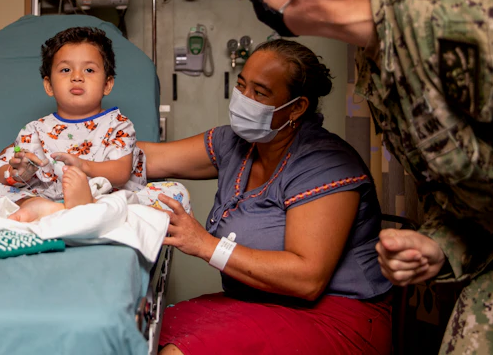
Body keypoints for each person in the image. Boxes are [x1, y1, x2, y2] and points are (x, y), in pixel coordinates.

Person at [230, 0, 493, 352]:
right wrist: (438, 244)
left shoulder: (451, 4)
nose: (253, 0)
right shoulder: (378, 65)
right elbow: (477, 187)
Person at [140, 39, 392, 354]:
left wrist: (206, 245)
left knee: (178, 351)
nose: (245, 100)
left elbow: (307, 278)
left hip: (335, 316)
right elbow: (147, 159)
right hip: (255, 303)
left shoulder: (324, 163)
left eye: (260, 93)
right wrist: (79, 147)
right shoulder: (235, 144)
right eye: (242, 86)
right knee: (140, 332)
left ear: (298, 106)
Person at [0, 27, 190, 222]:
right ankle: (49, 208)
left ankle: (78, 210)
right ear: (49, 85)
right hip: (46, 197)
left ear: (107, 84)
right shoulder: (34, 130)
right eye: (65, 70)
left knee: (176, 193)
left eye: (89, 70)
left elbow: (121, 172)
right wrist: (18, 174)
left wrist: (83, 166)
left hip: (104, 198)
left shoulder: (118, 125)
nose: (77, 77)